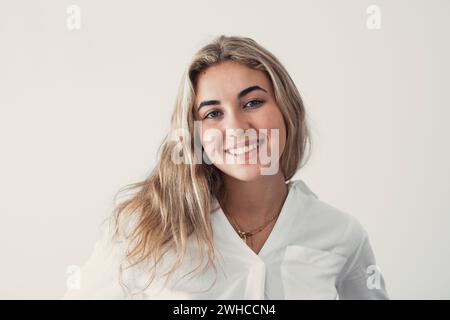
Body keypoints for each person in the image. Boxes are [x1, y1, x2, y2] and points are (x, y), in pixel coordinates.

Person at [63, 35, 389, 300]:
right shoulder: (144, 225)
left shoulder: (342, 235)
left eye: (253, 103)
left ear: (287, 109)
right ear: (195, 133)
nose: (237, 129)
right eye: (212, 114)